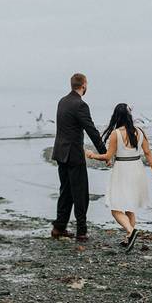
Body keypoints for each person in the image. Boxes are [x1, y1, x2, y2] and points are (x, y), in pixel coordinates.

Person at [86, 103, 152, 252]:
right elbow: (148, 155)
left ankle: (130, 231)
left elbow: (108, 156)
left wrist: (92, 155)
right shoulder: (140, 132)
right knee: (130, 207)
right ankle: (129, 239)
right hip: (137, 170)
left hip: (122, 170)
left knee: (115, 207)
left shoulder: (116, 133)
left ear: (116, 117)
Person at [51, 73, 106, 242]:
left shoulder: (62, 101)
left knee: (65, 191)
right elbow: (91, 130)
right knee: (80, 193)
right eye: (87, 84)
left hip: (60, 153)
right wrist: (104, 153)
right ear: (83, 85)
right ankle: (81, 232)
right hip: (74, 155)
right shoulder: (80, 105)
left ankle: (59, 227)